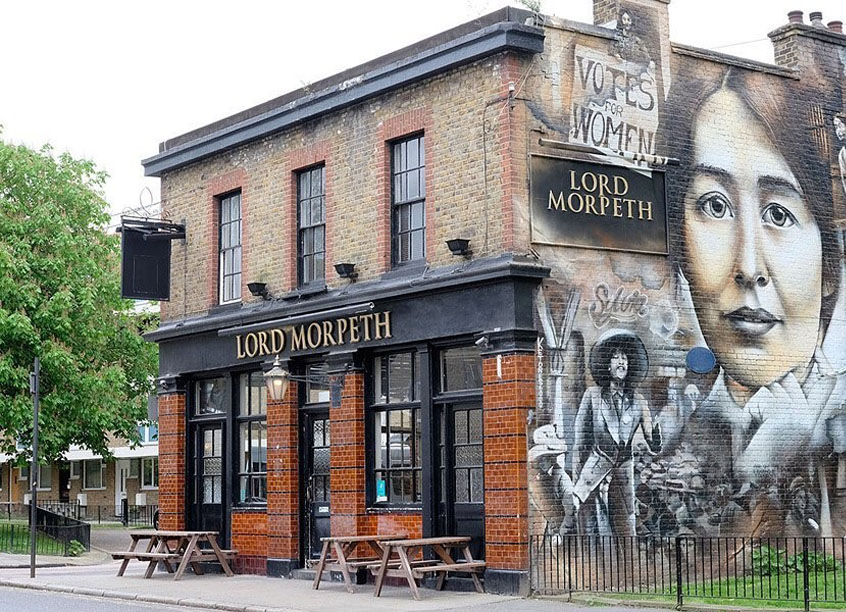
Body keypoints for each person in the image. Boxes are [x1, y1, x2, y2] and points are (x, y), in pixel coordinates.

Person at [660, 67, 846, 536]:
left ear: (829, 266)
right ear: (680, 248)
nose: (747, 266)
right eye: (715, 206)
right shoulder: (687, 437)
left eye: (778, 214)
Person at [571, 330, 656, 536]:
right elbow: (580, 441)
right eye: (616, 357)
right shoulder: (592, 396)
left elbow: (653, 442)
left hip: (623, 474)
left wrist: (655, 433)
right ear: (607, 365)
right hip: (595, 470)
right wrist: (578, 477)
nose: (621, 362)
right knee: (593, 527)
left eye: (624, 358)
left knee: (625, 528)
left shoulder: (638, 401)